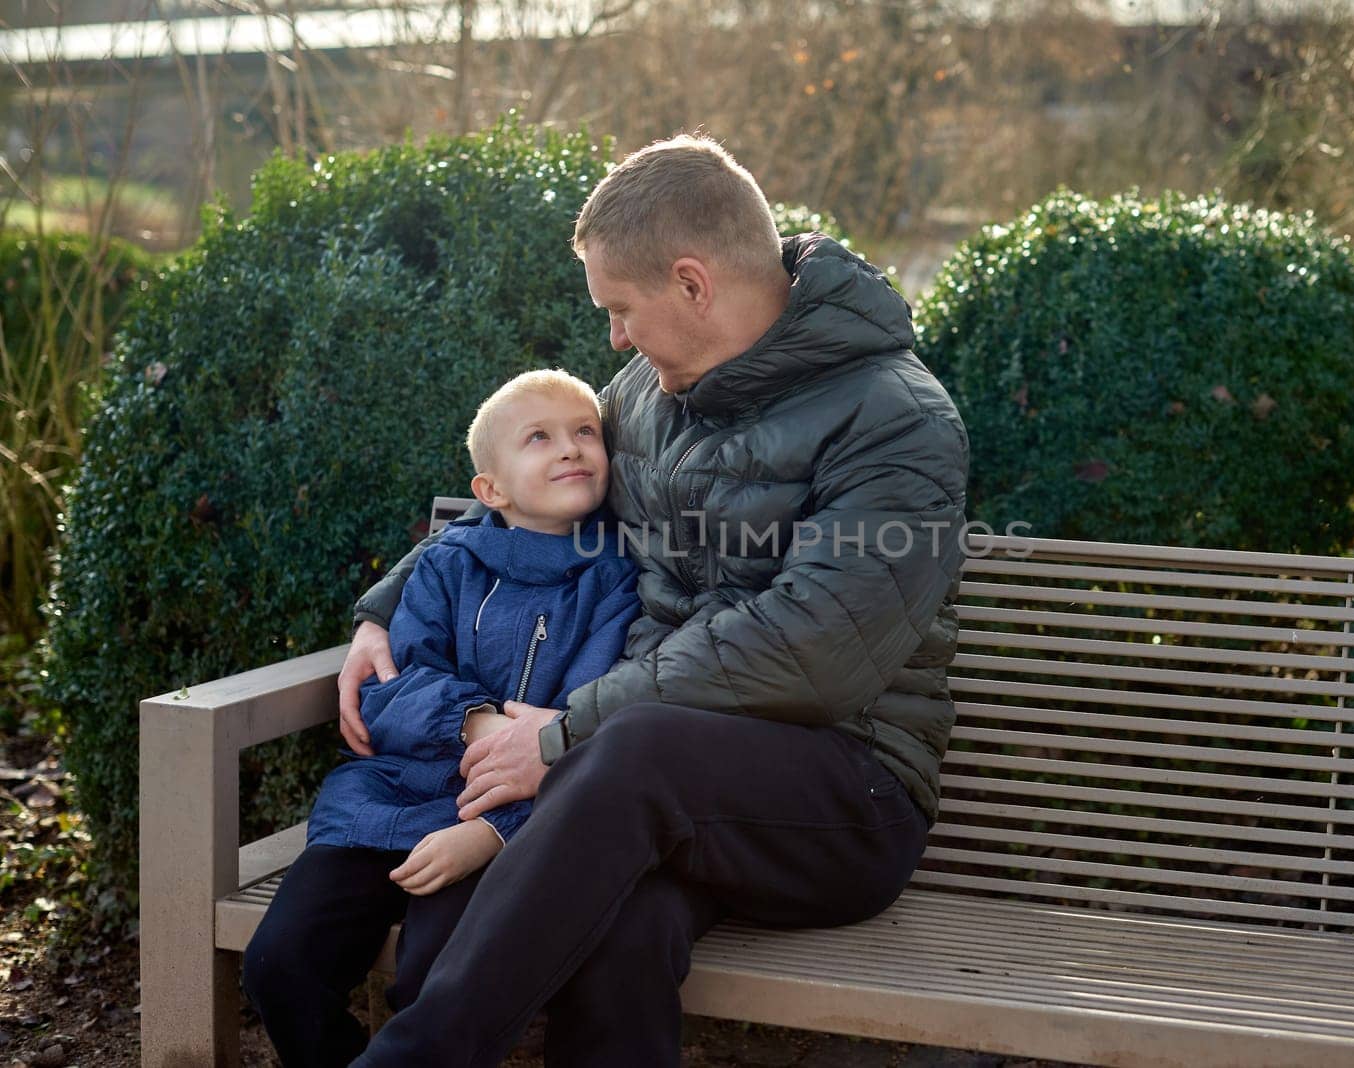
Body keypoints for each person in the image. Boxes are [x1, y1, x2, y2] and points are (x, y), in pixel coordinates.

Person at [338, 133, 970, 1068]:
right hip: (655, 790)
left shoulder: (895, 420)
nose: (615, 340)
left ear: (692, 283)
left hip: (847, 795)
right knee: (620, 932)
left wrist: (563, 735)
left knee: (632, 748)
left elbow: (813, 650)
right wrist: (388, 604)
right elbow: (533, 503)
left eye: (622, 310)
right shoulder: (647, 394)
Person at [243, 369, 639, 1067]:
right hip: (385, 803)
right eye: (539, 437)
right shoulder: (445, 565)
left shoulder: (618, 581)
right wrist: (473, 721)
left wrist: (490, 834)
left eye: (585, 432)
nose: (571, 448)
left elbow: (589, 733)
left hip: (508, 825)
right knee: (281, 964)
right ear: (491, 490)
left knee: (435, 986)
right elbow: (389, 690)